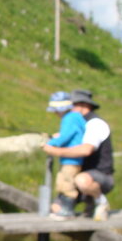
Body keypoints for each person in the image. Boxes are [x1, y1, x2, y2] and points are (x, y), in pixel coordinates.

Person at [42, 89, 114, 221]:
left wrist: (55, 150)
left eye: (72, 105)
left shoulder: (95, 123)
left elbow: (85, 150)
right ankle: (86, 204)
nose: (69, 108)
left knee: (81, 181)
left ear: (84, 105)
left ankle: (100, 201)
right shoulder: (78, 120)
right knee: (56, 208)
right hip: (78, 172)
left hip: (99, 174)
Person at [44, 91, 86, 220]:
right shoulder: (75, 117)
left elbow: (66, 136)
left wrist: (50, 143)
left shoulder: (70, 118)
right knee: (62, 181)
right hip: (72, 159)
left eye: (56, 110)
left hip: (71, 160)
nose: (55, 113)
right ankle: (61, 208)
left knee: (67, 183)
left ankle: (68, 211)